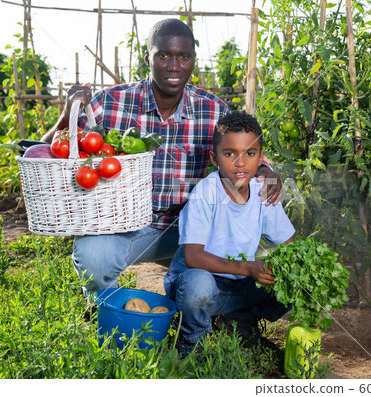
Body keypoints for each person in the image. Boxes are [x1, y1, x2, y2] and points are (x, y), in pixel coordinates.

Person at [42, 18, 283, 297]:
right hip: (124, 226)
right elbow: (49, 152)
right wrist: (68, 111)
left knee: (223, 251)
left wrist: (265, 169)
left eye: (184, 56)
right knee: (95, 256)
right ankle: (104, 306)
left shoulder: (212, 109)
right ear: (148, 57)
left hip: (188, 228)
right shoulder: (110, 102)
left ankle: (215, 310)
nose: (174, 66)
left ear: (193, 59)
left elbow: (243, 146)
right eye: (164, 55)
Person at [165, 112, 295, 357]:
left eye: (250, 153)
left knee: (290, 275)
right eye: (229, 154)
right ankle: (192, 337)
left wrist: (293, 274)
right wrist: (249, 268)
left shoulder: (264, 191)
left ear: (261, 160)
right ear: (215, 158)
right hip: (201, 286)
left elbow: (290, 245)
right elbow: (193, 257)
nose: (240, 163)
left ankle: (239, 321)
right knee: (197, 285)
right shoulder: (206, 191)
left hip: (239, 289)